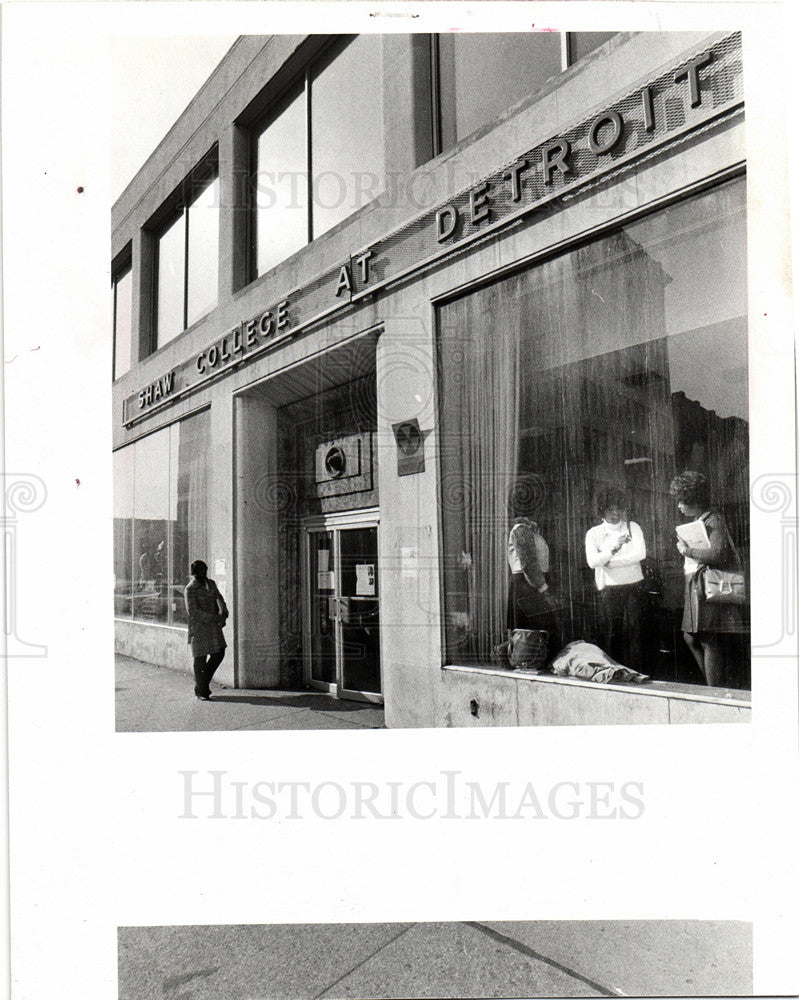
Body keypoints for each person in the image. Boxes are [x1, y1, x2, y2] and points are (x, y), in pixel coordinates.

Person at [669, 470, 744, 688]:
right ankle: (714, 685)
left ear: (694, 500)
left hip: (705, 585)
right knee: (691, 637)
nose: (679, 506)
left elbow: (719, 554)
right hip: (696, 583)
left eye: (682, 501)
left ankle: (714, 689)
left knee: (706, 638)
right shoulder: (702, 520)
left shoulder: (714, 520)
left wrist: (687, 550)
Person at [584, 489, 646, 669]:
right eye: (611, 509)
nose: (616, 513)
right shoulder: (593, 533)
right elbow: (593, 562)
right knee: (613, 632)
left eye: (619, 509)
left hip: (635, 585)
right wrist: (613, 549)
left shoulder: (633, 527)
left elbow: (640, 554)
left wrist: (611, 562)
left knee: (636, 631)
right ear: (602, 510)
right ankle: (615, 672)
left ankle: (638, 671)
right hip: (609, 588)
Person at [506, 517, 560, 654]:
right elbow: (528, 564)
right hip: (527, 583)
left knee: (534, 632)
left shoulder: (528, 530)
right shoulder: (521, 529)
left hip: (531, 582)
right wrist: (544, 589)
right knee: (530, 633)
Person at [184, 559, 229, 701]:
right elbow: (193, 611)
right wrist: (214, 618)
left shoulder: (211, 584)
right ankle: (202, 691)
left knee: (219, 653)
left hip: (213, 626)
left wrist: (224, 612)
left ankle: (201, 684)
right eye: (200, 570)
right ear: (194, 572)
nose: (204, 572)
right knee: (200, 658)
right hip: (199, 628)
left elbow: (219, 598)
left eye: (205, 569)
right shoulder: (190, 589)